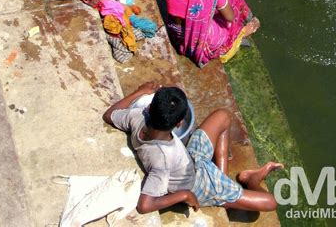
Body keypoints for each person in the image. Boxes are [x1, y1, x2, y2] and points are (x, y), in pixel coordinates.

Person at [103, 82, 283, 214]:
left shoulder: (137, 117)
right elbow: (145, 205)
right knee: (270, 203)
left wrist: (139, 91)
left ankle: (222, 178)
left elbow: (109, 115)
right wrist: (184, 195)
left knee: (223, 116)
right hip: (198, 185)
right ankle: (245, 183)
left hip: (191, 159)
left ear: (149, 108)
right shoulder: (162, 161)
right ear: (180, 122)